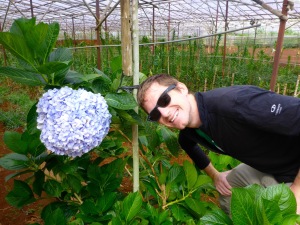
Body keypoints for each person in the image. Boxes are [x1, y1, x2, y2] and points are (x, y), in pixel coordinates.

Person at [137, 73, 300, 215]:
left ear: (181, 89)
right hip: (272, 167)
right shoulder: (190, 130)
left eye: (164, 100)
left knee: (283, 218)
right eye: (155, 114)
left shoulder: (234, 103)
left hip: (294, 169)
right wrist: (215, 175)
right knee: (229, 189)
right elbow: (187, 143)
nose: (164, 113)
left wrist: (297, 189)